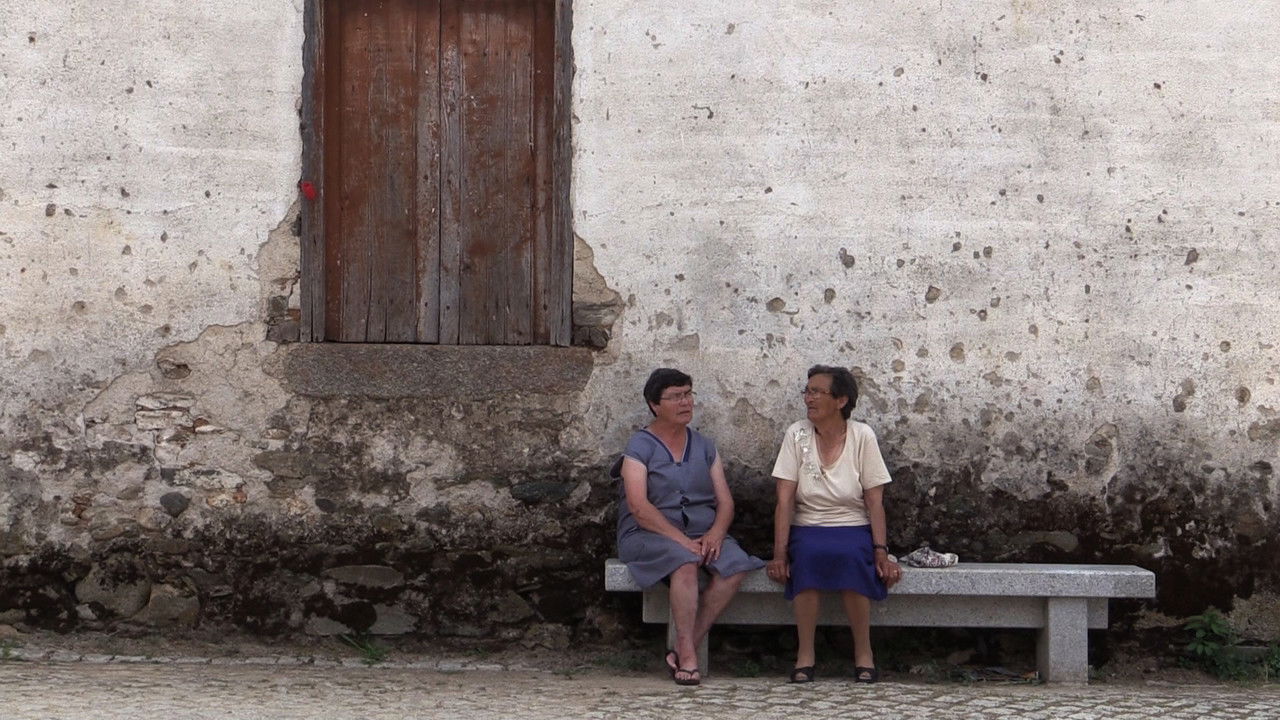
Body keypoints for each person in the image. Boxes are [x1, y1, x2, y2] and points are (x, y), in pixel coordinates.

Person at [613, 368, 765, 686]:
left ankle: (686, 643)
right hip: (647, 534)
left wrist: (716, 534)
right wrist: (682, 541)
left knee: (735, 566)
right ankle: (688, 654)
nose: (685, 402)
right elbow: (639, 507)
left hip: (702, 532)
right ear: (654, 405)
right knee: (684, 563)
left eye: (688, 394)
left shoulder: (705, 446)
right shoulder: (639, 447)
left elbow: (725, 503)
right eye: (675, 397)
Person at [766, 365, 903, 684]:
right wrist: (779, 553)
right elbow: (784, 499)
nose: (808, 398)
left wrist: (881, 552)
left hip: (852, 525)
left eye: (817, 392)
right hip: (808, 525)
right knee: (810, 557)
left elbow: (874, 500)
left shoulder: (862, 435)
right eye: (807, 391)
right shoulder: (796, 434)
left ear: (841, 400)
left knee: (853, 558)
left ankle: (864, 653)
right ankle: (805, 654)